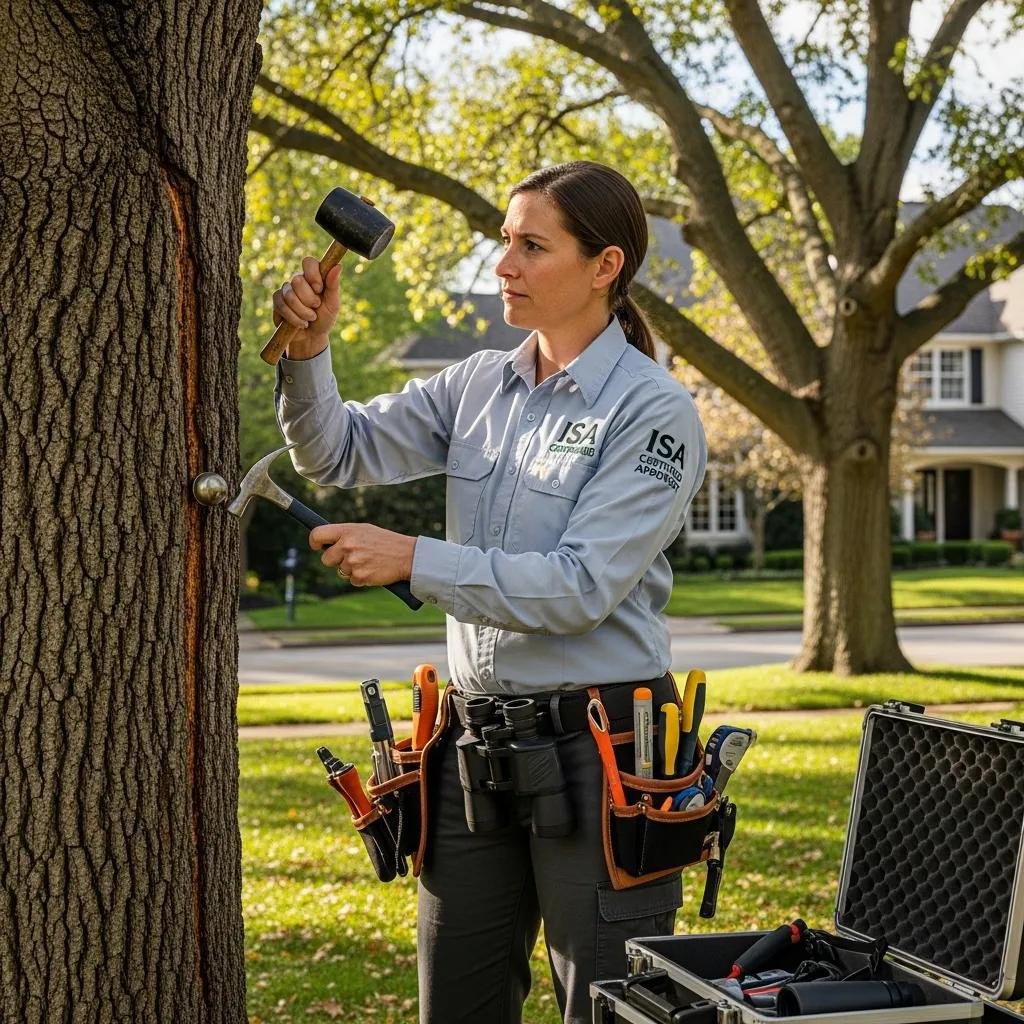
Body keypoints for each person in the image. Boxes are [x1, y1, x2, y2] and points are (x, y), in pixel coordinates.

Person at [272, 160, 708, 1024]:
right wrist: (310, 352)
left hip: (606, 747)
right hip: (469, 742)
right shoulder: (477, 386)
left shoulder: (654, 412)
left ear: (605, 266)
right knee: (458, 1005)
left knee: (607, 1008)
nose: (502, 265)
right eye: (505, 242)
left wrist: (413, 559)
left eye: (530, 246)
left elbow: (581, 587)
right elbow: (337, 453)